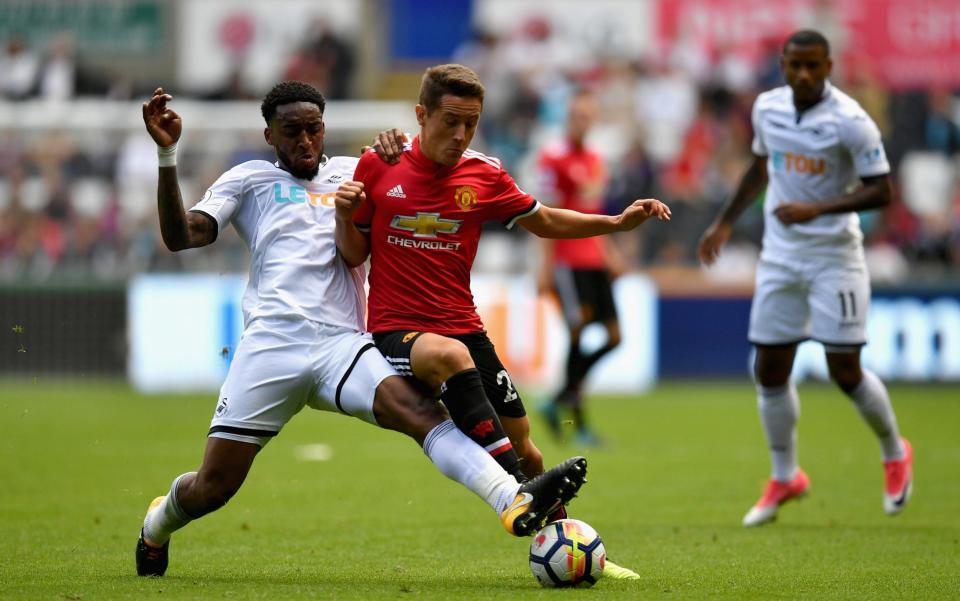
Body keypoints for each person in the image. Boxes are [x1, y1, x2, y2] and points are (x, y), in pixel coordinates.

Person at [134, 81, 589, 577]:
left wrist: (398, 143)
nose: (305, 141)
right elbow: (182, 237)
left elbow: (422, 163)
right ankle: (157, 523)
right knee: (214, 487)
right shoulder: (248, 180)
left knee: (421, 413)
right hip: (271, 346)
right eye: (292, 132)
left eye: (314, 129)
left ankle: (511, 499)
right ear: (269, 135)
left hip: (342, 344)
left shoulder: (356, 171)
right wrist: (167, 153)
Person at [334, 64, 670, 578]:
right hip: (397, 331)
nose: (461, 134)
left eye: (471, 123)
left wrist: (616, 222)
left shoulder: (484, 174)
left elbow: (546, 220)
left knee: (532, 450)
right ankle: (515, 492)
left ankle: (572, 543)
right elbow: (354, 253)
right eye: (450, 121)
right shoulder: (378, 165)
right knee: (451, 359)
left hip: (464, 328)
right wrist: (342, 216)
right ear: (421, 115)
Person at [697, 30, 913, 527]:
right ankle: (785, 475)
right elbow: (760, 166)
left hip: (835, 256)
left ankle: (893, 450)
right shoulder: (768, 108)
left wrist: (818, 207)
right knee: (769, 370)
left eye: (814, 66)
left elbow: (882, 191)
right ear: (783, 63)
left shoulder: (852, 122)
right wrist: (725, 222)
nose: (804, 75)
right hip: (780, 256)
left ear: (829, 65)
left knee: (844, 372)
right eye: (795, 65)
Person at [535, 88, 625, 446]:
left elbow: (595, 217)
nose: (582, 122)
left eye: (588, 116)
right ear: (567, 118)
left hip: (595, 261)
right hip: (568, 263)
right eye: (577, 115)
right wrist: (544, 267)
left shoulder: (595, 160)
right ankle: (579, 424)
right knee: (578, 333)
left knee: (615, 337)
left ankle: (557, 400)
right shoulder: (553, 159)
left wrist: (611, 255)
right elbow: (545, 217)